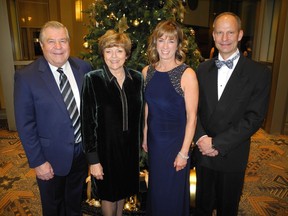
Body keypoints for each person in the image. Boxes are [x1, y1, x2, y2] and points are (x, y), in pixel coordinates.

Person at [194, 12, 271, 216]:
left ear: (240, 35)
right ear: (213, 35)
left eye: (230, 32)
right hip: (203, 152)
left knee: (228, 209)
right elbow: (194, 110)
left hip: (232, 153)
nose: (224, 38)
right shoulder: (202, 69)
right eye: (219, 32)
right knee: (201, 207)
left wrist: (217, 143)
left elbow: (254, 118)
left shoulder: (258, 73)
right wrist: (201, 137)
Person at [14, 21, 92, 215]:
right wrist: (38, 162)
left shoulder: (84, 68)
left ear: (69, 43)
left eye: (63, 41)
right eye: (51, 41)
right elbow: (26, 125)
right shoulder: (26, 77)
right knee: (53, 207)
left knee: (74, 203)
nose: (58, 47)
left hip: (80, 155)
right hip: (50, 158)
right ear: (42, 45)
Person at [81, 30, 143, 216]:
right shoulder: (93, 80)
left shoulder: (137, 79)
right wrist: (93, 160)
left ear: (127, 54)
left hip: (129, 152)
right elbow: (87, 123)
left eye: (119, 51)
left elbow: (142, 117)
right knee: (108, 195)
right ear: (103, 54)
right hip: (105, 152)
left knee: (122, 192)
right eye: (109, 51)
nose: (114, 56)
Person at [142, 20, 199, 216]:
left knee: (172, 193)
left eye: (171, 41)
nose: (165, 46)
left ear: (178, 44)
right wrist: (144, 134)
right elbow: (147, 106)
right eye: (161, 40)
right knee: (156, 190)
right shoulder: (147, 72)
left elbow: (192, 118)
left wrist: (184, 152)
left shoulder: (186, 74)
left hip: (176, 144)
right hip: (155, 143)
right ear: (155, 43)